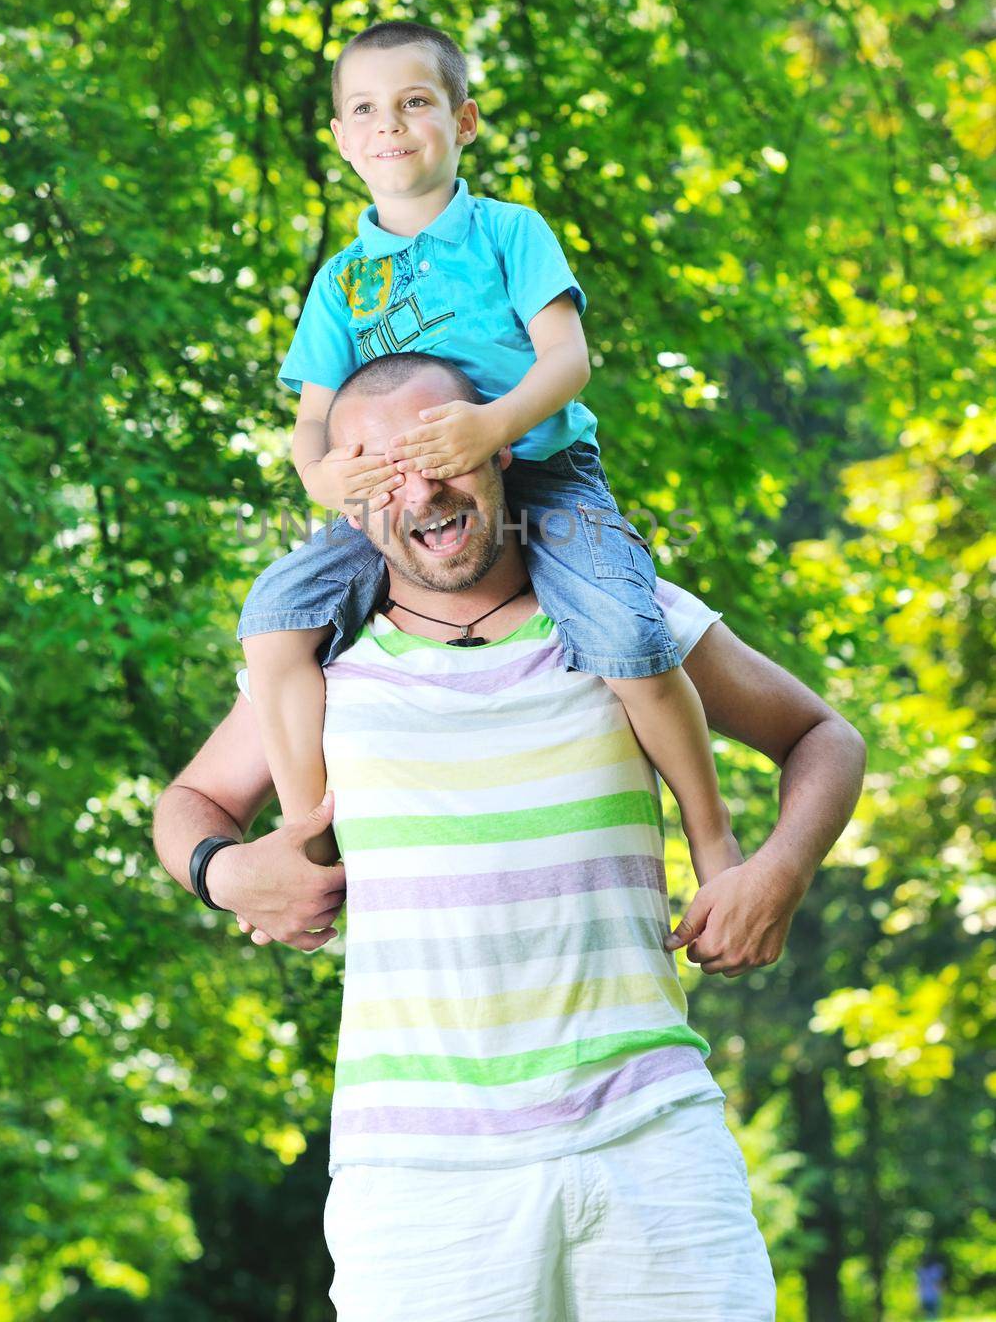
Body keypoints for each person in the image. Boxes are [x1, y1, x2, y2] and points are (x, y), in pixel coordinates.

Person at [153, 356, 867, 1321]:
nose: (422, 488)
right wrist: (226, 870)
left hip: (649, 1140)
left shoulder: (624, 620)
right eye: (381, 468)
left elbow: (824, 737)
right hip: (418, 1178)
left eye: (439, 447)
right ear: (350, 500)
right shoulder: (320, 662)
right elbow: (190, 801)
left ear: (498, 448)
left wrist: (774, 872)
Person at [236, 17, 742, 889]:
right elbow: (312, 419)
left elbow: (568, 361)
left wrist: (494, 425)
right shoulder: (341, 281)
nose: (389, 125)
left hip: (543, 477)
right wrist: (325, 477)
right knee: (274, 620)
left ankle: (711, 841)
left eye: (415, 102)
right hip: (406, 494)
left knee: (628, 632)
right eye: (365, 108)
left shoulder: (509, 233)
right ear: (342, 139)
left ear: (462, 121)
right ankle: (313, 842)